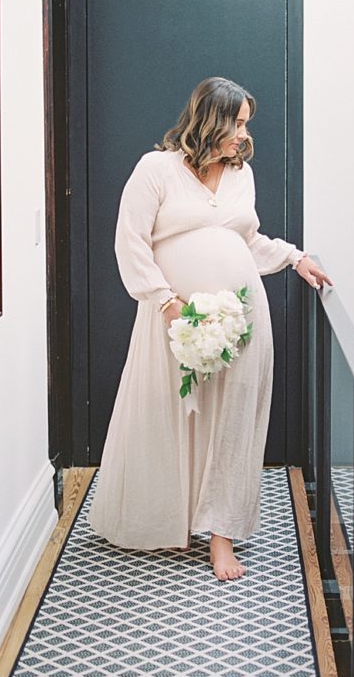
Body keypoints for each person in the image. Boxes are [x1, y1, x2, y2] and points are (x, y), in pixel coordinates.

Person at [86, 76, 332, 581]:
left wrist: (294, 257)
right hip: (174, 322)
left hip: (240, 321)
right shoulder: (157, 170)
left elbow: (248, 241)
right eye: (236, 123)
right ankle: (170, 521)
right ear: (209, 120)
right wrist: (165, 302)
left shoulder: (242, 175)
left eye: (246, 125)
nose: (243, 134)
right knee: (170, 414)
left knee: (235, 420)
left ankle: (221, 537)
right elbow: (130, 241)